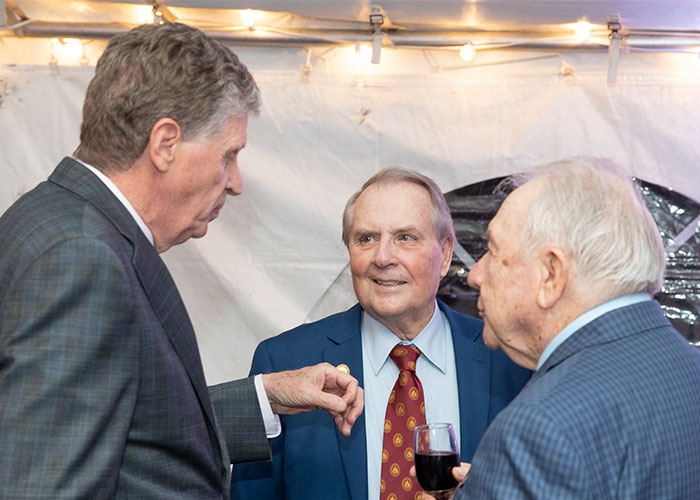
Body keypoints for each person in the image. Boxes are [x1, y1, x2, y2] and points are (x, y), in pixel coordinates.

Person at [0, 22, 362, 499]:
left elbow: (131, 433)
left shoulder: (67, 222)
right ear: (165, 143)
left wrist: (266, 397)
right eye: (228, 155)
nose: (235, 182)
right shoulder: (82, 258)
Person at [230, 166, 532, 499]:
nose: (383, 257)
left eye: (405, 237)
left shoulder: (510, 362)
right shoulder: (283, 362)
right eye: (366, 239)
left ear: (445, 254)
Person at [441, 158, 700, 499]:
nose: (475, 275)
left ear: (551, 274)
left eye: (492, 250)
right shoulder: (689, 370)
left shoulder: (538, 430)